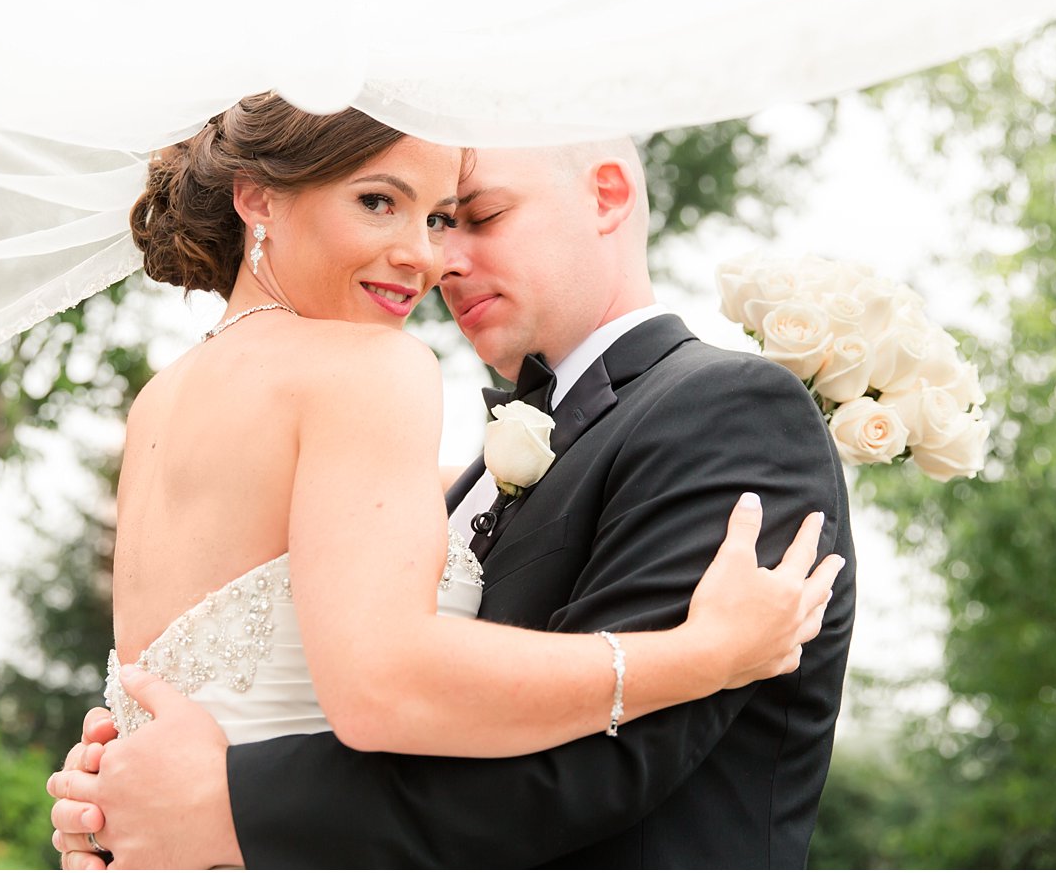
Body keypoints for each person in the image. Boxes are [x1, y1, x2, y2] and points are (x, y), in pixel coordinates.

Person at [49, 96, 855, 868]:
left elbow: (603, 767)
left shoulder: (729, 410)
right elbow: (382, 676)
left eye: (467, 215)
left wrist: (196, 804)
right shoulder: (370, 380)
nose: (437, 258)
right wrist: (702, 653)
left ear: (608, 195)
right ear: (256, 198)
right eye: (381, 202)